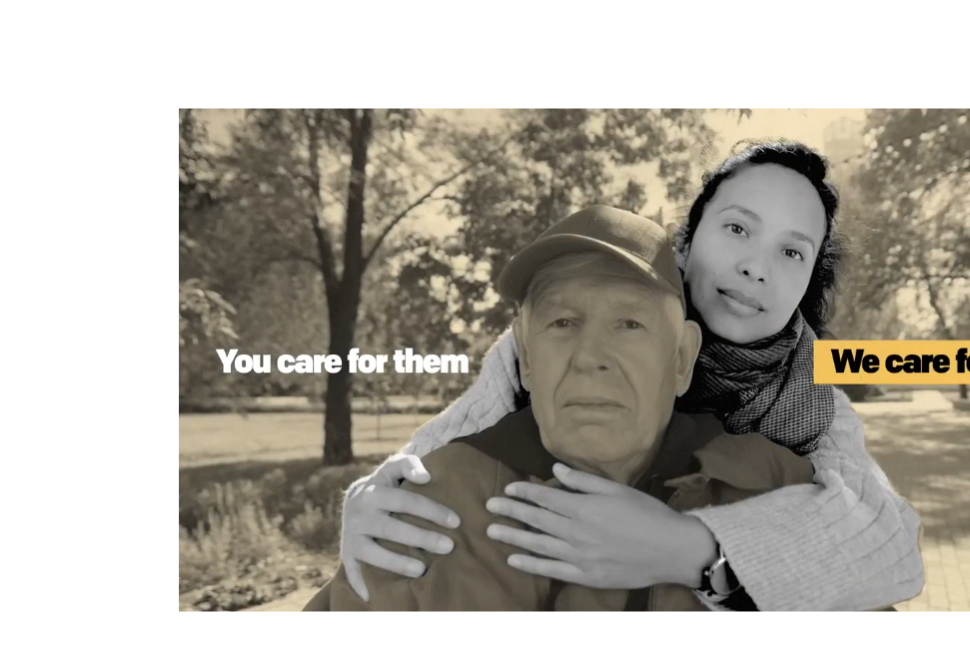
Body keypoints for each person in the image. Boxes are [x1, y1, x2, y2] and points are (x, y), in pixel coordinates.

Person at [337, 140, 923, 612]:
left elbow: (887, 547)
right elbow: (447, 450)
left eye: (792, 252)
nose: (755, 267)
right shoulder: (555, 341)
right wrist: (371, 502)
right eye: (739, 229)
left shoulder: (812, 400)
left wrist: (691, 552)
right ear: (688, 240)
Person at [304, 206, 819, 611]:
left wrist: (716, 566)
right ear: (526, 358)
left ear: (681, 358)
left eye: (629, 324)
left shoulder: (772, 483)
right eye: (562, 323)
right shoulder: (429, 506)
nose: (589, 357)